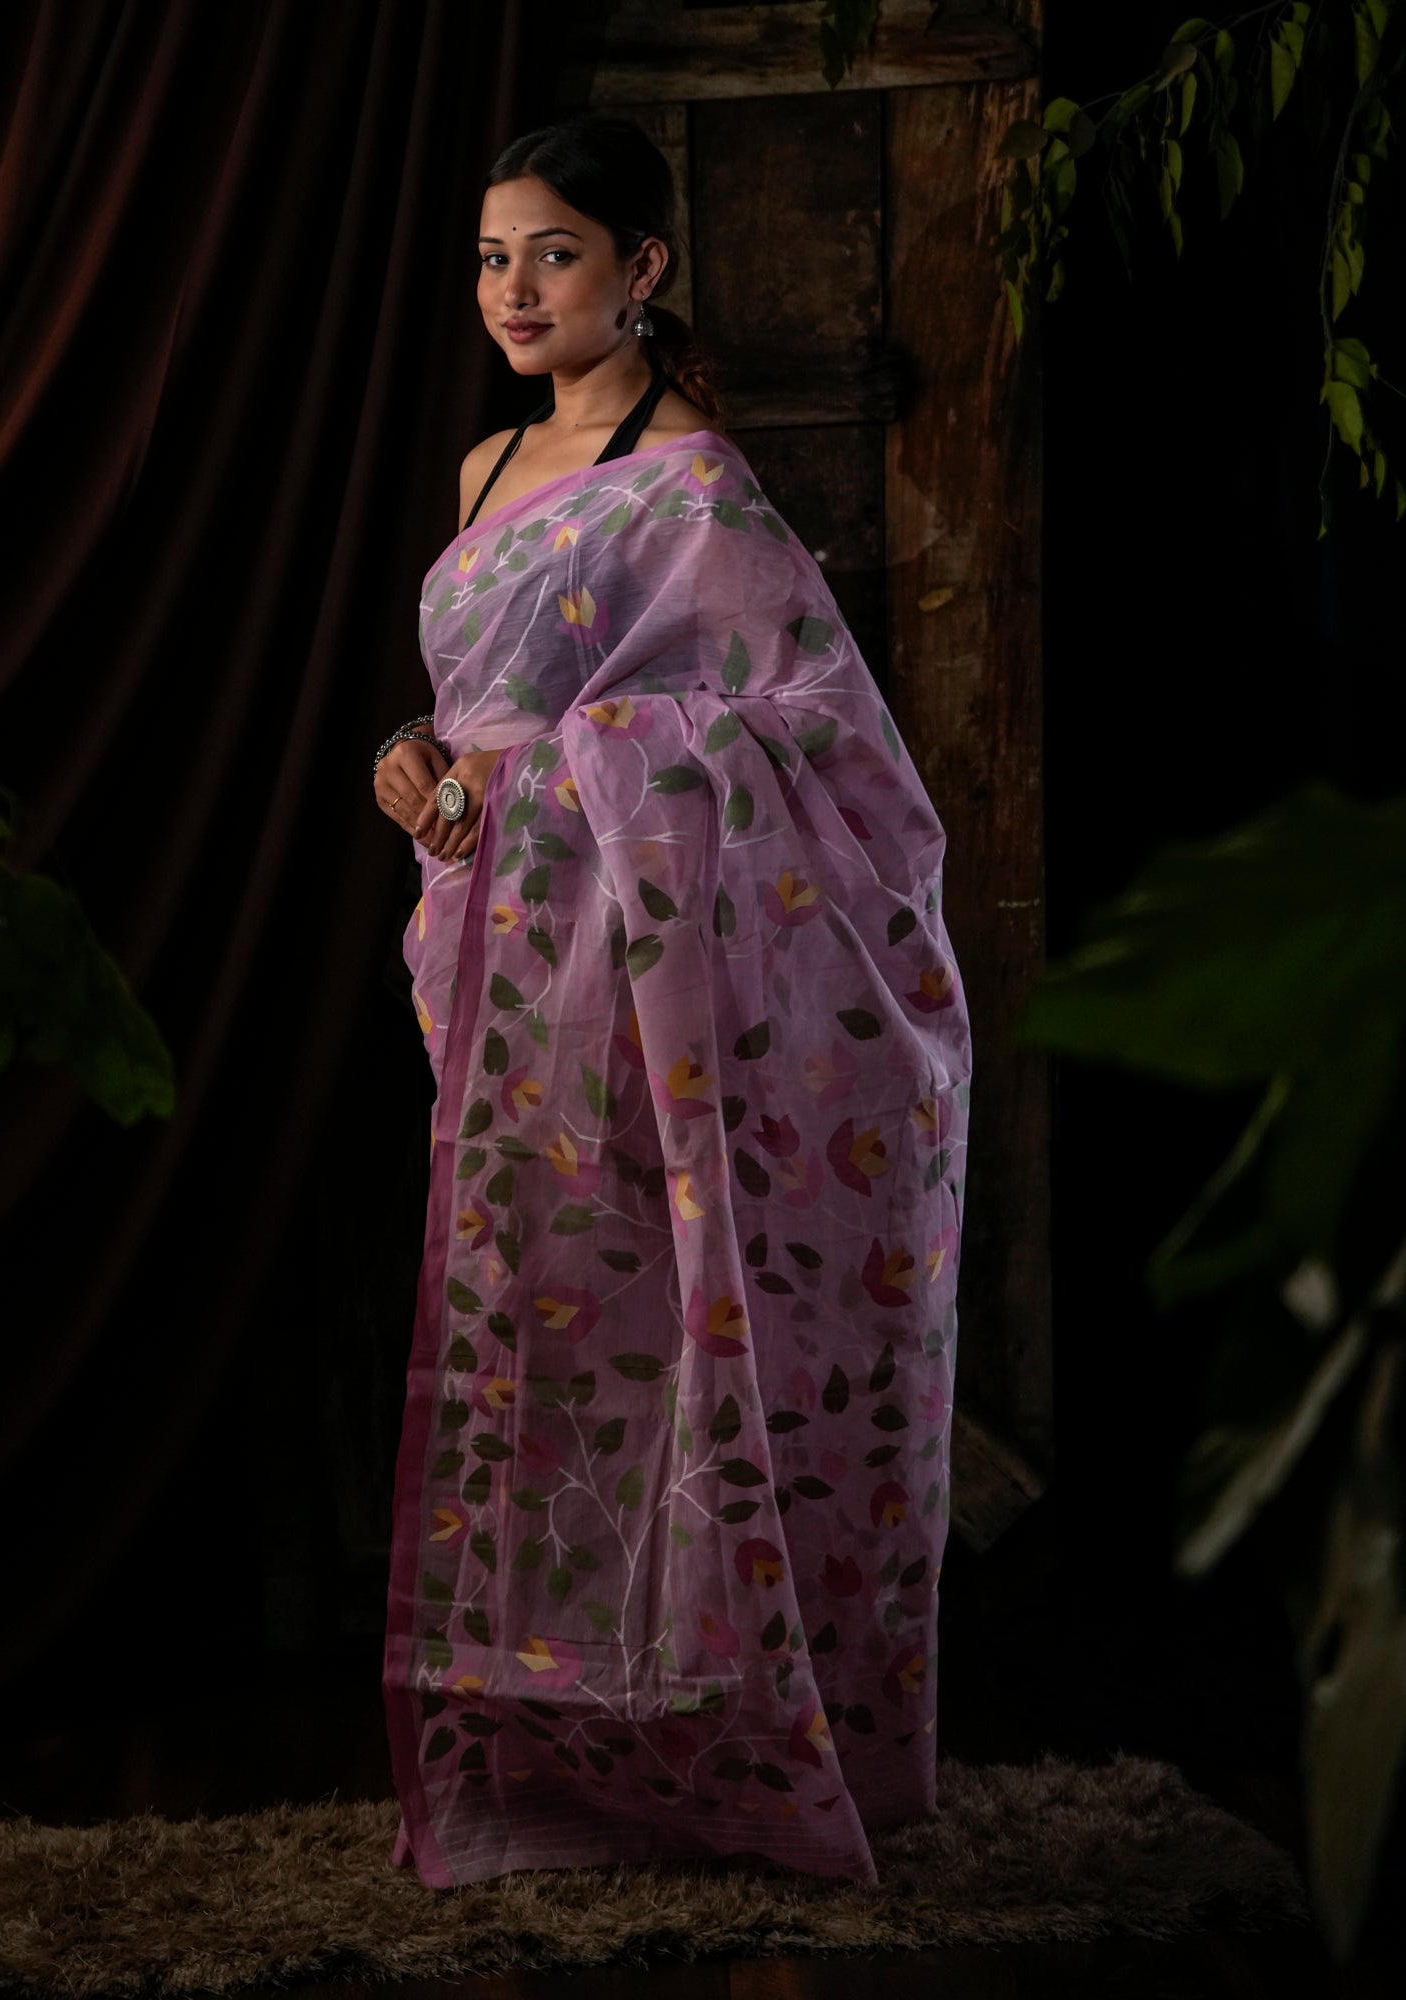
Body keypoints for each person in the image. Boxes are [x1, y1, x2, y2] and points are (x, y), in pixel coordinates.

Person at [375, 114, 971, 1892]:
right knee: (542, 1334)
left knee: (678, 1328)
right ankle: (558, 1749)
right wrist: (411, 768)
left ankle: (735, 1735)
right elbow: (473, 716)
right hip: (498, 961)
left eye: (553, 253)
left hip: (653, 980)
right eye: (493, 258)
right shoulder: (486, 467)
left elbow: (811, 744)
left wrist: (559, 777)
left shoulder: (695, 486)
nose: (513, 290)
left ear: (640, 267)